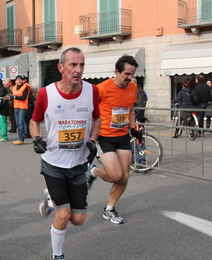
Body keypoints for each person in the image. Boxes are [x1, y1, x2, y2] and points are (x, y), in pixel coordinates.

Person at [30, 47, 101, 259]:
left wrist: (92, 141)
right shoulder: (46, 93)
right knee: (63, 215)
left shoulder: (92, 91)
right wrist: (36, 139)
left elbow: (97, 119)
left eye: (81, 65)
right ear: (61, 67)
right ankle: (57, 255)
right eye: (73, 65)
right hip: (53, 163)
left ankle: (50, 200)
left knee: (78, 220)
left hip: (79, 164)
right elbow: (35, 121)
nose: (78, 70)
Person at [86, 54, 142, 225]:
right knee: (115, 175)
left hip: (122, 136)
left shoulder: (133, 88)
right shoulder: (101, 88)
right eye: (127, 74)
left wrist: (133, 128)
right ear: (117, 71)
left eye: (132, 74)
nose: (130, 78)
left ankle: (109, 209)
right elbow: (89, 111)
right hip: (104, 137)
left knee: (124, 177)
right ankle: (92, 172)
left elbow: (130, 109)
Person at [9, 75, 30, 145]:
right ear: (15, 81)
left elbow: (24, 97)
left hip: (23, 107)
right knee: (18, 123)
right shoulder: (14, 88)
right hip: (16, 107)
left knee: (21, 123)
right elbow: (13, 96)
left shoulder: (25, 87)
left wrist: (14, 97)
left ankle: (21, 139)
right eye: (17, 80)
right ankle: (20, 137)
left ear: (22, 81)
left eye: (20, 80)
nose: (19, 81)